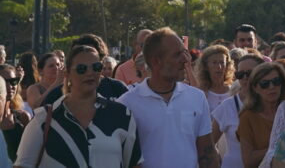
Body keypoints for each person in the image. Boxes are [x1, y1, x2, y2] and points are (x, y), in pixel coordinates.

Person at [14, 45, 142, 168]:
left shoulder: (121, 115)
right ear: (67, 74)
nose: (90, 73)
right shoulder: (43, 120)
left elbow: (134, 164)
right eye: (82, 69)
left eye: (96, 67)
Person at [117, 28, 216, 168]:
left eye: (184, 52)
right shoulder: (126, 104)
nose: (185, 59)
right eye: (177, 55)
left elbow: (208, 153)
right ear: (157, 61)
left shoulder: (197, 98)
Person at [41, 34, 129, 105]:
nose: (89, 72)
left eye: (94, 65)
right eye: (81, 67)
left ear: (101, 61)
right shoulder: (56, 96)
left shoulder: (117, 89)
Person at [237, 62, 285, 168]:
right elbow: (248, 160)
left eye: (276, 81)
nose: (271, 87)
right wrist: (277, 148)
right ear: (255, 88)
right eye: (264, 84)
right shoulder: (248, 117)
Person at [214, 54, 262, 168]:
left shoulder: (273, 104)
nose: (245, 78)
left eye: (249, 73)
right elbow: (208, 143)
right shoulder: (227, 106)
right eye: (240, 74)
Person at [197, 45, 235, 113]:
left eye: (222, 62)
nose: (219, 67)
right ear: (206, 66)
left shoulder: (233, 91)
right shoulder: (201, 92)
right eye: (214, 63)